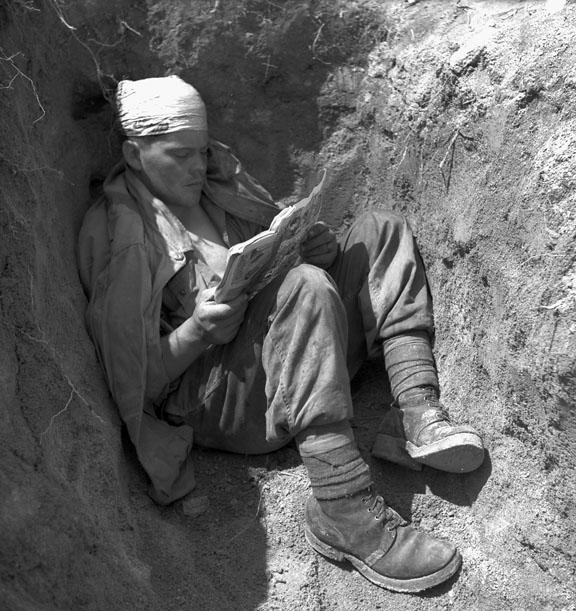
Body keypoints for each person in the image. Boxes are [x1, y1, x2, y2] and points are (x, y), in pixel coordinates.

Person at [78, 75, 484, 594]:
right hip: (219, 398)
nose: (198, 167)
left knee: (379, 228)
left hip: (292, 353)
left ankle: (416, 412)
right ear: (134, 155)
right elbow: (136, 386)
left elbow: (275, 266)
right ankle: (342, 506)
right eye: (180, 155)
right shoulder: (121, 235)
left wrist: (319, 253)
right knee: (305, 287)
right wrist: (198, 331)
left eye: (201, 152)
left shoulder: (218, 185)